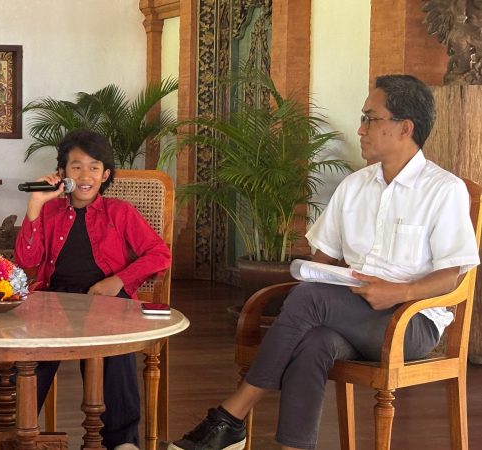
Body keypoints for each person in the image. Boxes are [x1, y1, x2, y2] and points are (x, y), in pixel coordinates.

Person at [169, 74, 481, 450]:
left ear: (405, 127)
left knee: (310, 299)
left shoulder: (443, 190)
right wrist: (322, 275)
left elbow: (452, 276)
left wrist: (400, 291)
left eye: (370, 118)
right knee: (315, 341)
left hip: (409, 322)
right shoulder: (355, 186)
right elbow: (323, 258)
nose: (360, 128)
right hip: (352, 312)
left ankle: (232, 416)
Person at [15, 129, 171, 450]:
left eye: (94, 167)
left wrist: (119, 281)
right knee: (37, 349)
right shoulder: (50, 211)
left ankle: (123, 441)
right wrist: (35, 203)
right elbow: (27, 259)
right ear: (62, 174)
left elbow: (160, 253)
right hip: (55, 300)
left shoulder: (120, 212)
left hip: (107, 303)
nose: (85, 175)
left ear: (105, 174)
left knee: (115, 352)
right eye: (75, 167)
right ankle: (13, 425)